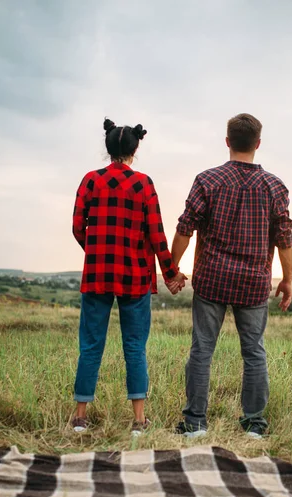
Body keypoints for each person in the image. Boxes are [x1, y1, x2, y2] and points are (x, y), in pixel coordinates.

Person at [169, 113, 292, 439]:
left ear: (227, 142)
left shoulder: (207, 180)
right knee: (254, 352)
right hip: (254, 282)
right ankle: (255, 425)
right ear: (258, 144)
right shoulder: (274, 187)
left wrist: (171, 268)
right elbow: (284, 238)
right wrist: (287, 279)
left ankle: (195, 423)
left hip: (211, 279)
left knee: (202, 351)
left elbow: (185, 227)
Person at [72, 118, 186, 434]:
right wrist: (171, 273)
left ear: (108, 148)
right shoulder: (143, 185)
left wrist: (95, 251)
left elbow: (77, 226)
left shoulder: (90, 181)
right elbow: (157, 235)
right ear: (135, 149)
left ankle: (80, 417)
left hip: (97, 275)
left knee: (91, 344)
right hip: (135, 276)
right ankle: (138, 422)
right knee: (134, 346)